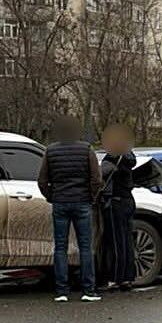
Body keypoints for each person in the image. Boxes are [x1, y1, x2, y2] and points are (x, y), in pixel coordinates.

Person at [37, 116, 103, 303]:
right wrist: (91, 197)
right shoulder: (86, 149)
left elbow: (42, 180)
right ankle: (88, 290)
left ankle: (61, 291)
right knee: (85, 247)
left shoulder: (50, 151)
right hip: (82, 202)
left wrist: (52, 196)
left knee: (60, 247)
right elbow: (96, 179)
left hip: (60, 203)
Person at [99, 124, 137, 290]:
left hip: (116, 202)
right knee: (127, 241)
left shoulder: (111, 159)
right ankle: (128, 277)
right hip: (128, 200)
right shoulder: (128, 160)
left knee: (115, 242)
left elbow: (101, 175)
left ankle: (115, 278)